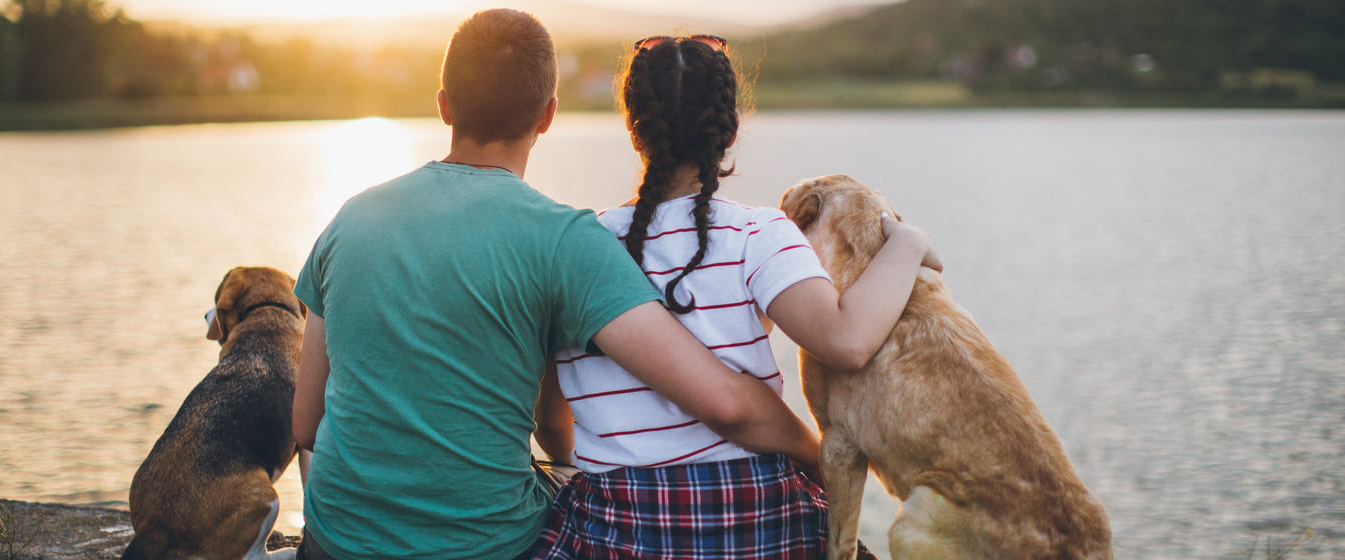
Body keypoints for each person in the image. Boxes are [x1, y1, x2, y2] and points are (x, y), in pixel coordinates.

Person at [290, 11, 821, 560]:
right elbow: (728, 405)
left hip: (335, 542)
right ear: (547, 116)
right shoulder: (563, 239)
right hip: (488, 547)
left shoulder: (351, 219)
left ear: (444, 105)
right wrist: (820, 457)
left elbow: (305, 424)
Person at [527, 35, 939, 560]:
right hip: (759, 510)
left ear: (635, 130)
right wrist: (907, 244)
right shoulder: (757, 234)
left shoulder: (580, 246)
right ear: (730, 130)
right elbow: (848, 341)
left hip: (619, 517)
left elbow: (553, 425)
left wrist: (574, 462)